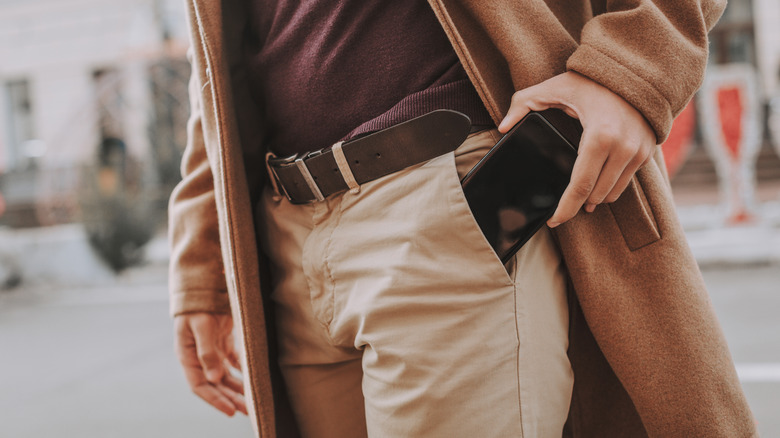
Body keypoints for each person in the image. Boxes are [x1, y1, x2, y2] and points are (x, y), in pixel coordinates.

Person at [169, 0, 757, 437]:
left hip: (450, 200)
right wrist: (203, 258)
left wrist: (635, 64)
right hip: (284, 233)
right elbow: (215, 70)